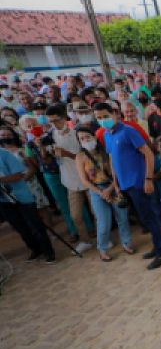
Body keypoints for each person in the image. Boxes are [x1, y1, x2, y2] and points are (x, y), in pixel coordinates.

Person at [93, 102, 161, 270]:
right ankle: (157, 246)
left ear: (114, 113)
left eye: (105, 116)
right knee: (144, 219)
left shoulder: (128, 131)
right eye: (99, 118)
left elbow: (148, 154)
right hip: (124, 184)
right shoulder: (107, 134)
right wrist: (116, 183)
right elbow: (113, 159)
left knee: (149, 218)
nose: (103, 120)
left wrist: (148, 179)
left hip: (139, 182)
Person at [75, 126, 134, 261]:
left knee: (122, 217)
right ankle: (102, 249)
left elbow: (116, 171)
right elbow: (84, 180)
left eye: (87, 137)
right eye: (82, 139)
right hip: (96, 190)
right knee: (103, 222)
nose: (85, 140)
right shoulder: (80, 157)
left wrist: (111, 188)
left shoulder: (106, 151)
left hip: (113, 186)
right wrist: (101, 192)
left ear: (94, 137)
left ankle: (127, 243)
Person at [46, 104, 94, 254]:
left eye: (57, 120)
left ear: (64, 118)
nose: (54, 124)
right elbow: (47, 159)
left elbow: (87, 157)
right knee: (76, 215)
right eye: (51, 121)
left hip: (88, 178)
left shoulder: (77, 133)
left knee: (96, 212)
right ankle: (85, 240)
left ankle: (103, 238)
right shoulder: (50, 136)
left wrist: (67, 154)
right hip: (70, 181)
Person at [0, 141, 55, 263]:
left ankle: (48, 252)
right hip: (3, 201)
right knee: (20, 228)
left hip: (21, 196)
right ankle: (36, 249)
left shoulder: (4, 154)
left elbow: (18, 175)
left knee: (35, 225)